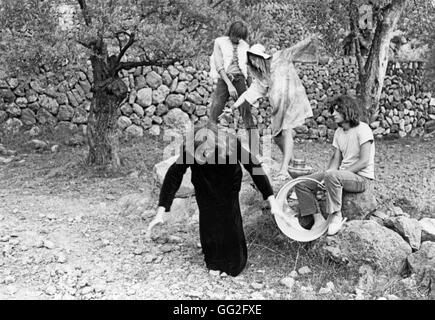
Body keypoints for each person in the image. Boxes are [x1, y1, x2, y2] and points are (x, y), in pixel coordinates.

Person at [146, 122, 284, 277]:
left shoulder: (231, 143)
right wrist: (161, 210)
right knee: (208, 220)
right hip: (203, 183)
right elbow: (173, 175)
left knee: (229, 219)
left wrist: (272, 200)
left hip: (228, 182)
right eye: (200, 151)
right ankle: (214, 261)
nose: (204, 154)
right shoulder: (191, 148)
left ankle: (234, 263)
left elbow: (254, 167)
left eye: (208, 149)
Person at [231, 38, 316, 180]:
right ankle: (292, 164)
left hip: (292, 99)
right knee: (277, 137)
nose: (254, 62)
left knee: (286, 130)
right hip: (278, 106)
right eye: (251, 60)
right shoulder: (262, 78)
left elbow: (295, 48)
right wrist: (233, 107)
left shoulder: (280, 57)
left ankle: (284, 169)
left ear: (261, 57)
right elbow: (248, 94)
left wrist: (311, 39)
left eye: (255, 58)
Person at [294, 95, 375, 236]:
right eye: (333, 111)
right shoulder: (338, 132)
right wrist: (324, 178)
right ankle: (317, 219)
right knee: (302, 183)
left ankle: (336, 216)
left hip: (361, 178)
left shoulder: (363, 129)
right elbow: (336, 159)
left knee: (331, 175)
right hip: (341, 175)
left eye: (337, 111)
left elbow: (364, 161)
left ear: (347, 110)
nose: (333, 114)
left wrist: (334, 175)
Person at [209, 21, 260, 157]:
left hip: (240, 79)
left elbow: (248, 69)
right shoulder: (219, 42)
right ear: (230, 32)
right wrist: (229, 85)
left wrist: (252, 88)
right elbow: (219, 65)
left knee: (246, 113)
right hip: (224, 79)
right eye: (235, 36)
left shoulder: (245, 46)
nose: (237, 39)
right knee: (215, 111)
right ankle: (207, 149)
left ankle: (255, 153)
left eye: (239, 37)